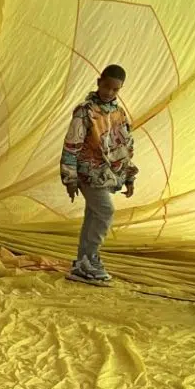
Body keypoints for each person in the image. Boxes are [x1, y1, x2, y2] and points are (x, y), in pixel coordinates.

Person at [61, 64, 137, 285]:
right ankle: (90, 258)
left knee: (94, 215)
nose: (110, 93)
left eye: (116, 90)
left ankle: (82, 262)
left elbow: (125, 146)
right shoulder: (85, 111)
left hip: (109, 175)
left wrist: (129, 176)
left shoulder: (119, 113)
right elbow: (71, 145)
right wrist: (70, 177)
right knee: (105, 211)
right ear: (98, 82)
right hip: (88, 173)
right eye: (107, 87)